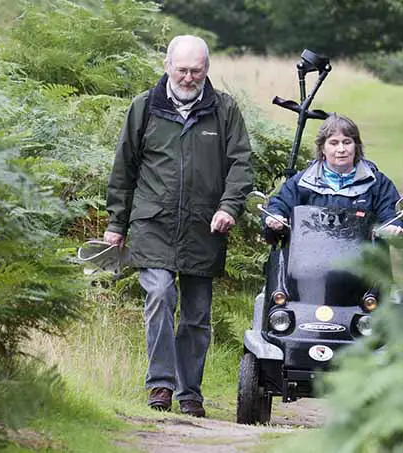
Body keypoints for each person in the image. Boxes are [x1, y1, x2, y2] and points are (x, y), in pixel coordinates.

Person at [104, 35, 253, 418]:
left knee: (197, 316)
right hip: (153, 223)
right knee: (159, 293)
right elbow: (124, 170)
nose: (188, 77)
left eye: (196, 71)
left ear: (207, 70)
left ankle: (190, 393)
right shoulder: (144, 108)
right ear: (167, 66)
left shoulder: (225, 111)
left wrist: (228, 207)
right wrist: (115, 224)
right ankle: (160, 384)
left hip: (205, 228)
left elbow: (241, 165)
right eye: (182, 69)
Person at [263, 114, 403, 236]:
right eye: (334, 143)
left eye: (347, 142)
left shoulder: (377, 183)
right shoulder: (302, 182)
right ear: (322, 148)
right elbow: (279, 204)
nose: (341, 149)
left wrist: (392, 227)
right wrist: (275, 217)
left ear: (356, 147)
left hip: (363, 263)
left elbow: (390, 213)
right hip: (309, 261)